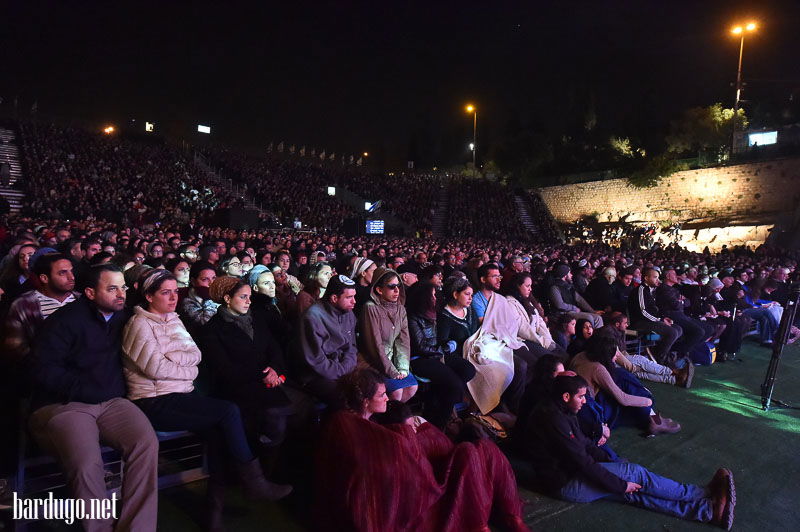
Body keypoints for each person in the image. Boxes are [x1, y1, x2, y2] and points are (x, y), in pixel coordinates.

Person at [122, 270, 291, 529]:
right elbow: (156, 369)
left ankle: (214, 511)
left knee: (220, 435)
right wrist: (185, 367)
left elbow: (194, 357)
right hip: (154, 398)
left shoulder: (174, 320)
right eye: (165, 292)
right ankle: (254, 482)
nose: (173, 297)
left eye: (174, 291)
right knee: (228, 412)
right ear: (148, 295)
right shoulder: (139, 324)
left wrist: (178, 364)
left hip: (180, 393)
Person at [314, 367, 528, 532]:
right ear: (364, 400)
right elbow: (396, 459)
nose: (387, 398)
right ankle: (481, 523)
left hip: (409, 478)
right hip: (400, 504)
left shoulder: (359, 419)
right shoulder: (344, 424)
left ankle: (511, 517)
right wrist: (408, 433)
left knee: (483, 450)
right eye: (381, 395)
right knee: (471, 454)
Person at [28, 264, 159, 532]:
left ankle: (138, 528)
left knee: (145, 443)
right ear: (89, 292)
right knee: (87, 462)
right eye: (112, 288)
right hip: (63, 405)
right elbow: (42, 369)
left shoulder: (124, 317)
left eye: (122, 287)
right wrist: (84, 389)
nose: (120, 294)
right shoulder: (64, 322)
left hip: (110, 402)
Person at [524, 375, 736, 530]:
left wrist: (610, 461)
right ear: (565, 396)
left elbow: (583, 445)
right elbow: (582, 462)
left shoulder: (561, 410)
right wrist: (620, 482)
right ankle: (702, 494)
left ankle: (707, 511)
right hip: (566, 483)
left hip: (566, 476)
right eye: (581, 397)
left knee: (634, 495)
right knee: (635, 474)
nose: (585, 401)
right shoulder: (554, 419)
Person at [200, 276, 293, 462]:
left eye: (249, 296)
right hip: (238, 387)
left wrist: (274, 369)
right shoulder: (213, 329)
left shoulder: (255, 319)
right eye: (243, 297)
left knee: (298, 410)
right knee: (274, 415)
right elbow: (224, 369)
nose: (249, 301)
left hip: (266, 380)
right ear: (227, 299)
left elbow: (273, 348)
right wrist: (263, 376)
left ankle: (277, 463)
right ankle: (260, 467)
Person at [570, 336, 681, 435]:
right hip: (590, 411)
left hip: (581, 403)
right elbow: (623, 399)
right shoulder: (598, 368)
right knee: (624, 380)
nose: (618, 354)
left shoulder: (581, 355)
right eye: (615, 351)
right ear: (605, 352)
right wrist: (648, 401)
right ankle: (651, 418)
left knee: (621, 376)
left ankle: (651, 416)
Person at [407, 281, 476, 428]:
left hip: (436, 353)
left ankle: (436, 399)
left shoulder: (434, 312)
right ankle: (440, 423)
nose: (436, 297)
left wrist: (448, 345)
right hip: (420, 359)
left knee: (468, 370)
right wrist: (445, 349)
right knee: (455, 385)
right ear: (423, 297)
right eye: (432, 295)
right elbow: (421, 347)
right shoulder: (413, 317)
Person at [294, 275, 358, 406]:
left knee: (371, 389)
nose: (354, 301)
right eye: (349, 297)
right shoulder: (312, 317)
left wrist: (346, 367)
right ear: (334, 298)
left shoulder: (348, 312)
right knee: (347, 399)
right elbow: (316, 361)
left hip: (342, 367)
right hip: (315, 374)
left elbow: (351, 347)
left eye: (354, 296)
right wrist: (343, 371)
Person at [358, 267, 418, 402]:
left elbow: (403, 341)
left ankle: (394, 418)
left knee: (412, 387)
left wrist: (402, 368)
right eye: (392, 287)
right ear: (379, 290)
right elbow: (374, 345)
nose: (397, 290)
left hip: (392, 360)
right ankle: (386, 419)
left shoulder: (400, 309)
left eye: (398, 286)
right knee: (396, 392)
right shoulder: (370, 308)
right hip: (373, 361)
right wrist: (391, 371)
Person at [628, 267, 683, 366]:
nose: (658, 280)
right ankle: (660, 359)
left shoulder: (651, 290)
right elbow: (643, 312)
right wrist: (659, 320)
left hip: (650, 321)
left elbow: (653, 311)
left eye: (658, 278)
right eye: (655, 277)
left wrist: (663, 318)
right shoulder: (641, 290)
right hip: (639, 323)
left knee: (678, 329)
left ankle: (656, 352)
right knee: (672, 332)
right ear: (646, 278)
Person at [548, 263, 604, 329]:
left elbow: (580, 300)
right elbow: (560, 305)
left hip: (572, 312)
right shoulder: (554, 287)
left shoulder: (568, 286)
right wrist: (574, 308)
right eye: (569, 273)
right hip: (563, 314)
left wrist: (593, 311)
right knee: (589, 318)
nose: (571, 275)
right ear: (565, 275)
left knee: (598, 318)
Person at [180, 260, 219, 336]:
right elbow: (206, 322)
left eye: (214, 278)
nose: (211, 283)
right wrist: (208, 299)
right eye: (205, 279)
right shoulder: (188, 302)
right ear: (193, 281)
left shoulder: (219, 294)